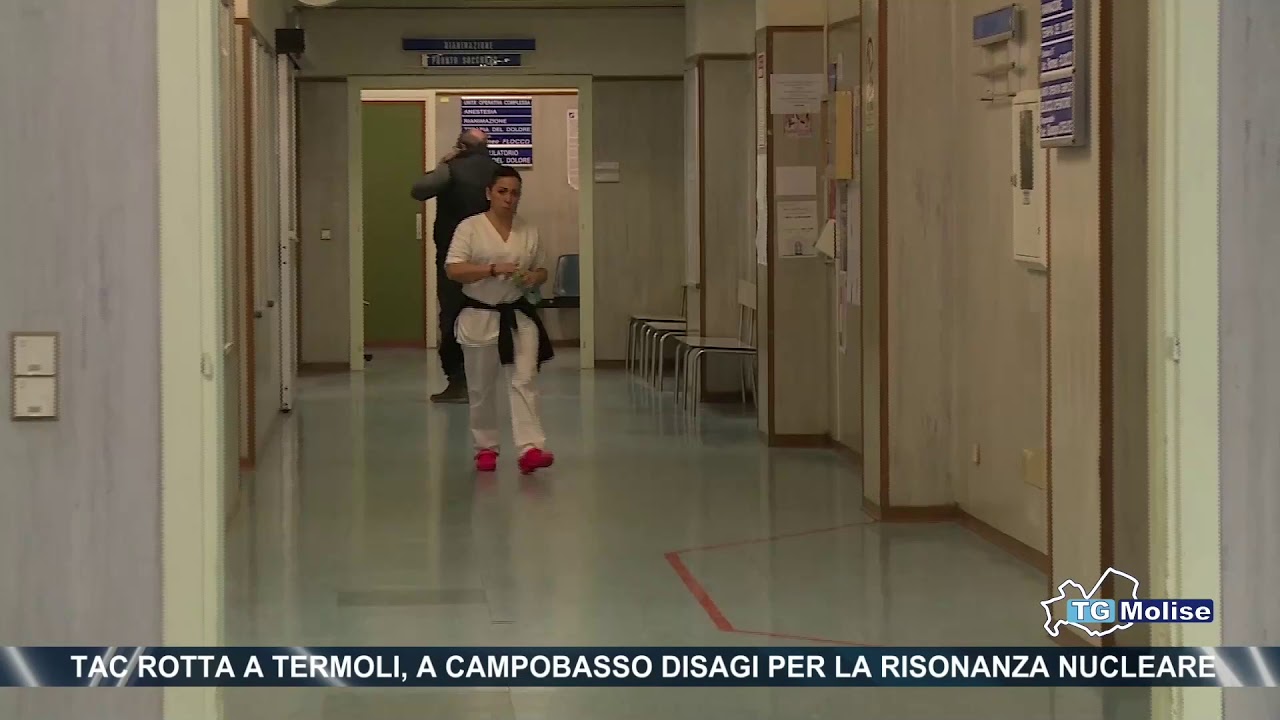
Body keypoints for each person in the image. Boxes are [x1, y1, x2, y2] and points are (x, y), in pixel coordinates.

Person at [444, 166, 556, 474]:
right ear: (489, 193)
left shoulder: (528, 230)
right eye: (502, 191)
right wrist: (492, 269)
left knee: (525, 380)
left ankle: (530, 448)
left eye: (515, 193)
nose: (509, 198)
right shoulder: (470, 228)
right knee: (481, 387)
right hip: (479, 315)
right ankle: (486, 447)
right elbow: (454, 269)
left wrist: (534, 277)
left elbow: (542, 269)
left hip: (518, 315)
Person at [411, 128, 500, 403]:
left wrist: (443, 163)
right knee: (489, 315)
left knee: (452, 317)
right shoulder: (499, 172)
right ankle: (485, 382)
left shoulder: (450, 169)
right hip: (491, 255)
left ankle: (459, 382)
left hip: (455, 257)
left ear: (461, 145)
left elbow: (419, 190)